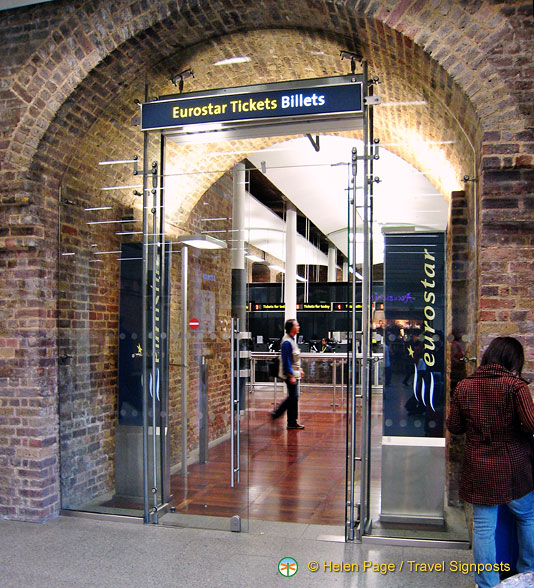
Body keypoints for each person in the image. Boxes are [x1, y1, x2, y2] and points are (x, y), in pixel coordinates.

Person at [447, 337, 534, 588]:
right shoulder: (515, 386)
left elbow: (454, 427)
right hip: (514, 467)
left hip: (480, 468)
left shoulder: (464, 386)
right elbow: (530, 424)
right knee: (527, 517)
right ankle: (527, 573)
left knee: (484, 528)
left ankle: (487, 583)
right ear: (513, 361)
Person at [272, 318, 305, 429]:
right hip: (289, 375)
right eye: (297, 325)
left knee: (293, 397)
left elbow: (293, 359)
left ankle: (289, 420)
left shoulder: (291, 340)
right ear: (292, 328)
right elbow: (286, 360)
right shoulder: (287, 342)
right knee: (293, 397)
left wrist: (299, 370)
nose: (299, 327)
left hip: (292, 373)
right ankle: (283, 417)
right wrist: (290, 375)